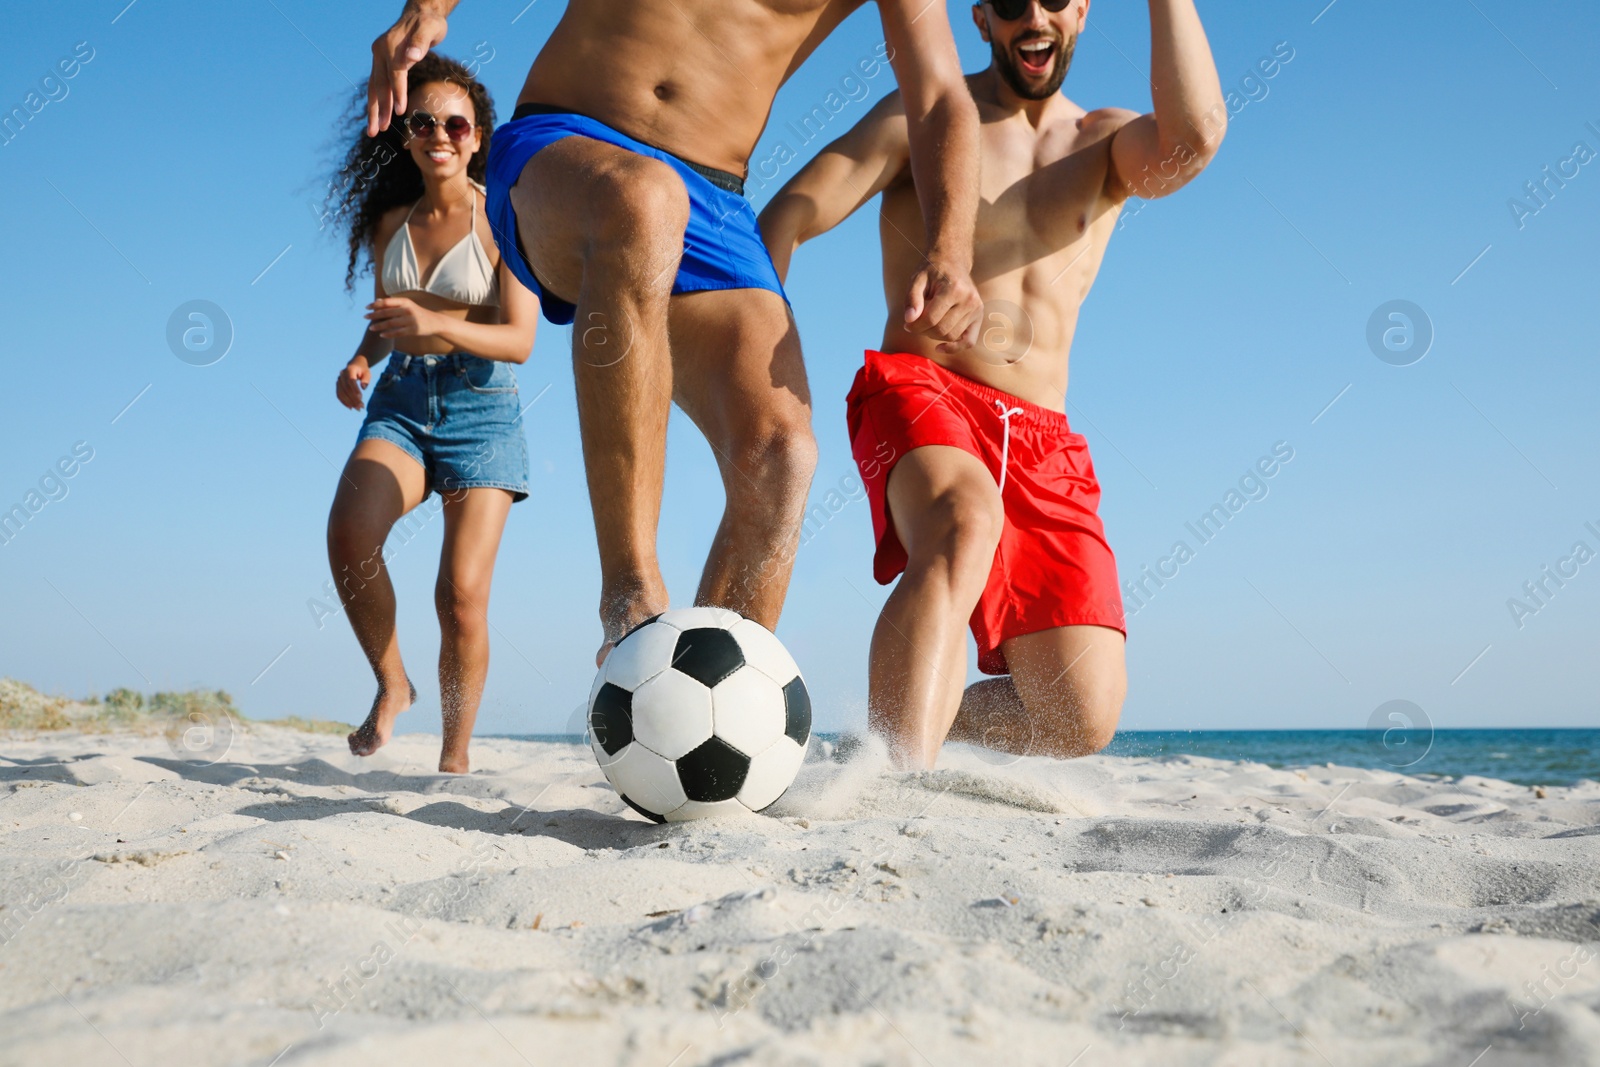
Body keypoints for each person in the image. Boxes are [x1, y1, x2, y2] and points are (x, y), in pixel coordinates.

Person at [364, 1, 986, 664]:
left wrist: (950, 246)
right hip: (565, 144)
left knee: (782, 453)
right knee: (643, 198)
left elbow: (940, 96)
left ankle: (695, 707)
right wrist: (427, 9)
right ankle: (631, 604)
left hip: (713, 196)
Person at [760, 0, 1226, 768]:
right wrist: (762, 368)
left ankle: (897, 727)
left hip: (1042, 436)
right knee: (961, 522)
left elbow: (1194, 139)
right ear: (979, 19)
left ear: (1082, 10)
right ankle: (891, 788)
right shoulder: (929, 116)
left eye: (1052, 0)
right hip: (925, 387)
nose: (1032, 17)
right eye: (1011, 4)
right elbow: (789, 216)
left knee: (1079, 714)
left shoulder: (1105, 143)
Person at [326, 54, 541, 773]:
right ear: (408, 135)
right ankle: (394, 683)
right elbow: (392, 320)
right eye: (424, 122)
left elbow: (519, 340)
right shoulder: (393, 219)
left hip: (482, 412)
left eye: (455, 123)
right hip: (401, 405)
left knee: (460, 595)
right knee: (350, 537)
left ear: (477, 135)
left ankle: (454, 758)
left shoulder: (507, 217)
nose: (439, 134)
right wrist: (363, 357)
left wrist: (437, 327)